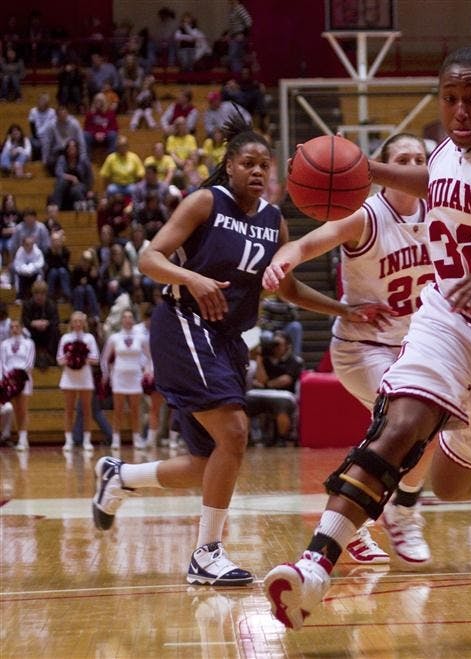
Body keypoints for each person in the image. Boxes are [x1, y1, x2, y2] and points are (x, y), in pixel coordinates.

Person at [262, 42, 471, 629]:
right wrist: (369, 171)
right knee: (399, 424)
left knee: (447, 483)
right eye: (450, 100)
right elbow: (434, 178)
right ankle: (315, 564)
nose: (461, 111)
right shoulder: (446, 152)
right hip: (446, 316)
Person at [90, 115, 389, 587]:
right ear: (229, 166)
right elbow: (151, 258)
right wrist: (191, 277)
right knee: (234, 432)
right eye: (247, 163)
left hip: (228, 339)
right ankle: (206, 554)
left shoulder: (273, 220)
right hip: (185, 323)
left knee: (209, 462)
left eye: (263, 166)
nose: (256, 172)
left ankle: (120, 477)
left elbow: (286, 288)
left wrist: (344, 309)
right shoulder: (205, 202)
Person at [263, 133, 440, 565]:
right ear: (383, 170)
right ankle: (402, 511)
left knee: (423, 430)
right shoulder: (364, 217)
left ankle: (358, 522)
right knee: (412, 420)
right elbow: (305, 244)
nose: (412, 165)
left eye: (419, 158)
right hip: (363, 347)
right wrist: (280, 261)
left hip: (415, 346)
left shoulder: (440, 210)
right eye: (403, 158)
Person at [100, 309, 151, 449]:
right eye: (125, 317)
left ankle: (137, 438)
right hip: (119, 376)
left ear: (133, 320)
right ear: (121, 320)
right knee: (118, 409)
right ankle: (116, 439)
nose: (128, 319)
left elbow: (149, 357)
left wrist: (148, 372)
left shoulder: (141, 338)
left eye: (130, 317)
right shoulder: (114, 338)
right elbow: (104, 359)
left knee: (135, 409)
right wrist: (106, 375)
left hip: (135, 376)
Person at [59, 311, 101, 452]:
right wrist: (70, 359)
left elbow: (95, 359)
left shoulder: (89, 338)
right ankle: (68, 440)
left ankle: (87, 440)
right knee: (69, 409)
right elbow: (59, 359)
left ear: (84, 323)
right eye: (75, 321)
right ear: (71, 322)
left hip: (85, 377)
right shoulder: (65, 338)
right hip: (69, 377)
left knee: (86, 409)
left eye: (80, 321)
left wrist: (81, 358)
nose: (77, 323)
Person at [0, 319, 35, 451]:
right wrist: (7, 377)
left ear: (21, 328)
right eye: (12, 327)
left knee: (23, 409)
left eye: (17, 326)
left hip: (24, 379)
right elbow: (3, 363)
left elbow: (29, 362)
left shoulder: (29, 343)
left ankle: (23, 439)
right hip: (9, 380)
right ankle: (20, 437)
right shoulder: (4, 344)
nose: (14, 329)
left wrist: (19, 375)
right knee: (15, 409)